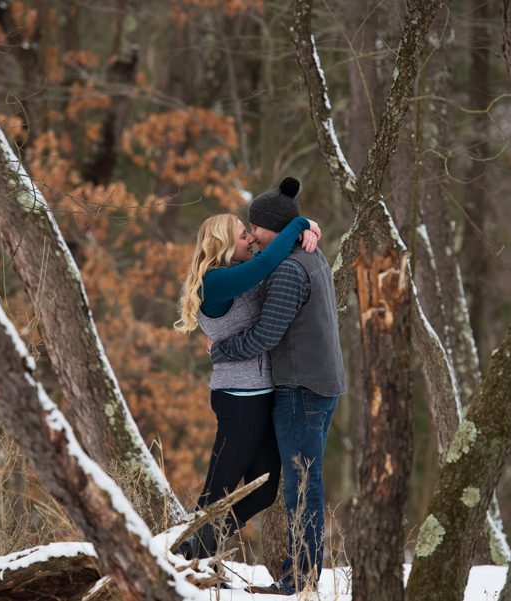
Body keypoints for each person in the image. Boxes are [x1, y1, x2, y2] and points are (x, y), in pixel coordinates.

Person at [208, 177, 346, 594]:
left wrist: (222, 349)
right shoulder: (310, 253)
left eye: (255, 229)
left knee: (303, 483)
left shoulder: (287, 268)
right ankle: (299, 573)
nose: (251, 236)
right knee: (304, 479)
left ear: (272, 228)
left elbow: (266, 336)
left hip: (301, 387)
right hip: (320, 383)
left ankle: (300, 579)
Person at [173, 210, 321, 559]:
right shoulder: (216, 281)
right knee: (217, 491)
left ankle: (199, 549)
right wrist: (300, 223)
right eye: (243, 235)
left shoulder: (235, 276)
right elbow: (265, 263)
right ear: (223, 244)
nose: (251, 239)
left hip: (261, 395)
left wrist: (308, 233)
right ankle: (180, 557)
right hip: (238, 400)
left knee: (264, 489)